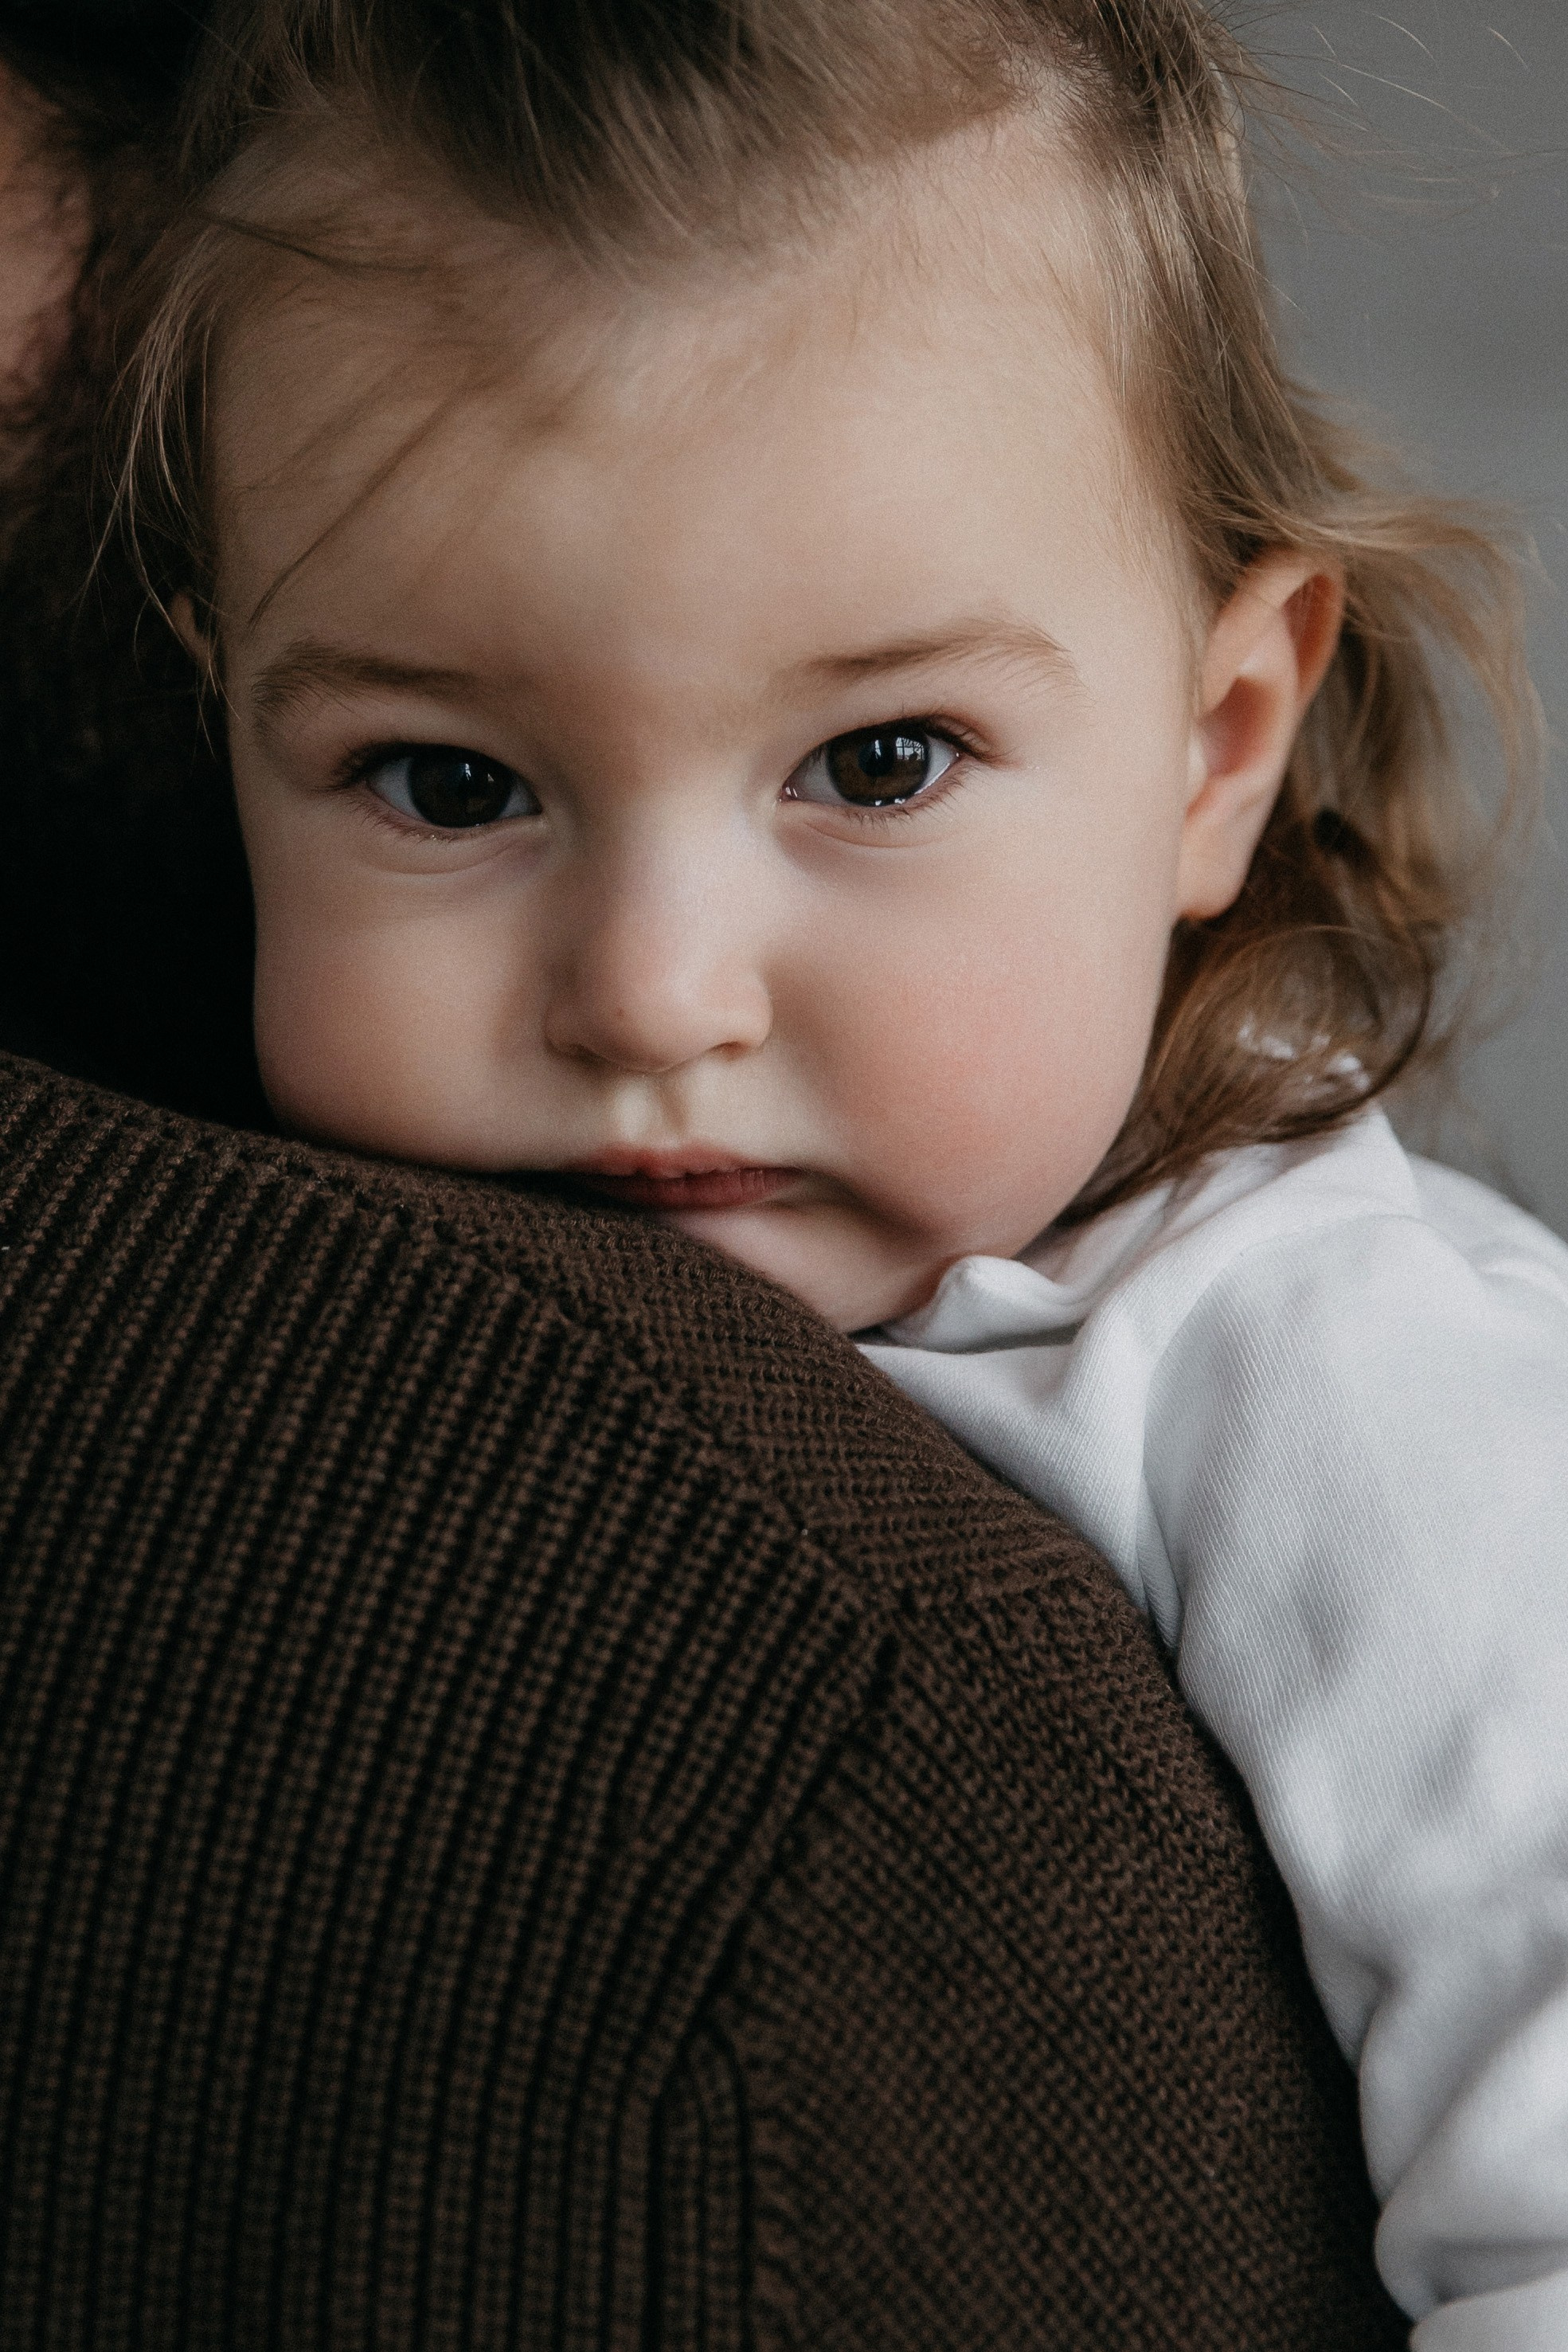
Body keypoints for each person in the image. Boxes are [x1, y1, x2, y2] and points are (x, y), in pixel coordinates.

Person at [87, 0, 1564, 2341]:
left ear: (1213, 748)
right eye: (446, 784)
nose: (655, 990)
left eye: (877, 760)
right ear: (224, 721)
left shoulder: (1357, 1394)